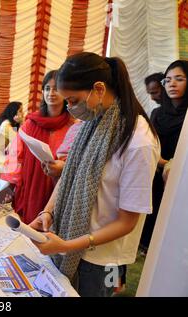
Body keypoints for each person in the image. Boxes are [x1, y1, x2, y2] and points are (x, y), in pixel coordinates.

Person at [30, 52, 159, 297]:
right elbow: (71, 174)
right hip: (70, 243)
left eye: (73, 100)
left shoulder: (139, 141)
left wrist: (67, 245)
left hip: (105, 261)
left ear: (98, 89)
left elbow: (127, 223)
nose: (69, 108)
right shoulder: (93, 123)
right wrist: (47, 211)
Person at [1, 70, 74, 224]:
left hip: (57, 188)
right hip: (31, 187)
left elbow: (75, 161)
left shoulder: (73, 126)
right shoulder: (31, 123)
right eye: (47, 88)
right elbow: (15, 154)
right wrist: (8, 186)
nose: (51, 93)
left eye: (56, 88)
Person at [140, 60, 188, 252]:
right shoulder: (157, 113)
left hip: (182, 179)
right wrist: (163, 163)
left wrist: (174, 166)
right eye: (167, 80)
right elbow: (151, 144)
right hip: (158, 177)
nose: (172, 84)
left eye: (179, 79)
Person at [0, 101, 23, 194]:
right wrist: (22, 123)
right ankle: (0, 193)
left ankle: (3, 192)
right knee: (12, 167)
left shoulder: (4, 122)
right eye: (21, 111)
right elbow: (18, 140)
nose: (23, 114)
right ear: (14, 112)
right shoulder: (6, 124)